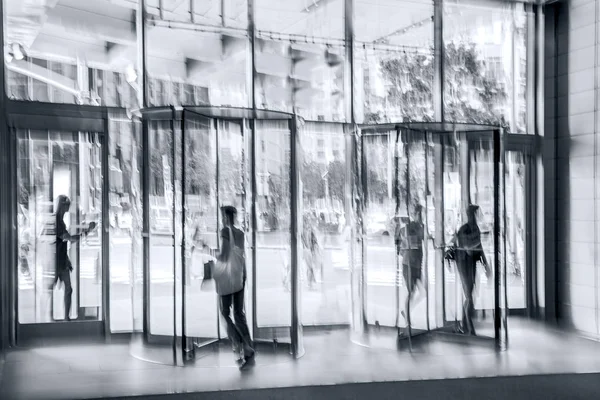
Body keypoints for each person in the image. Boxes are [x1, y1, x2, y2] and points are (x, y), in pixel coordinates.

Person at [216, 205, 255, 369]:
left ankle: (239, 342)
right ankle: (249, 347)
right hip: (240, 275)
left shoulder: (225, 231)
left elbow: (224, 256)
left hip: (228, 278)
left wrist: (209, 252)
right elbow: (241, 255)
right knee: (239, 313)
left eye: (222, 216)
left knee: (225, 313)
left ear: (226, 217)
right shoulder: (240, 233)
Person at [448, 204, 491, 336]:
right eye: (477, 213)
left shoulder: (475, 228)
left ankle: (463, 325)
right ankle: (469, 328)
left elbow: (479, 248)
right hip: (463, 263)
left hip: (471, 263)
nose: (478, 216)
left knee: (470, 294)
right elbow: (467, 247)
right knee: (468, 295)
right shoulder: (464, 229)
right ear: (471, 214)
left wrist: (485, 264)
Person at [53, 195, 95, 321]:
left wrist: (67, 259)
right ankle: (63, 317)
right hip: (57, 262)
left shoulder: (59, 220)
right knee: (56, 288)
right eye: (67, 205)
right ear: (63, 206)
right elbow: (69, 239)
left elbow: (61, 243)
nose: (68, 208)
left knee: (68, 289)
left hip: (61, 260)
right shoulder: (57, 221)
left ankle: (66, 317)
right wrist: (87, 231)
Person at [397, 205, 426, 325]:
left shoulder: (421, 227)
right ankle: (407, 317)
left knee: (423, 292)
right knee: (411, 292)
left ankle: (406, 311)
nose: (423, 216)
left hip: (417, 263)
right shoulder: (410, 227)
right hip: (409, 263)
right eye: (421, 213)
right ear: (417, 214)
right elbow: (406, 242)